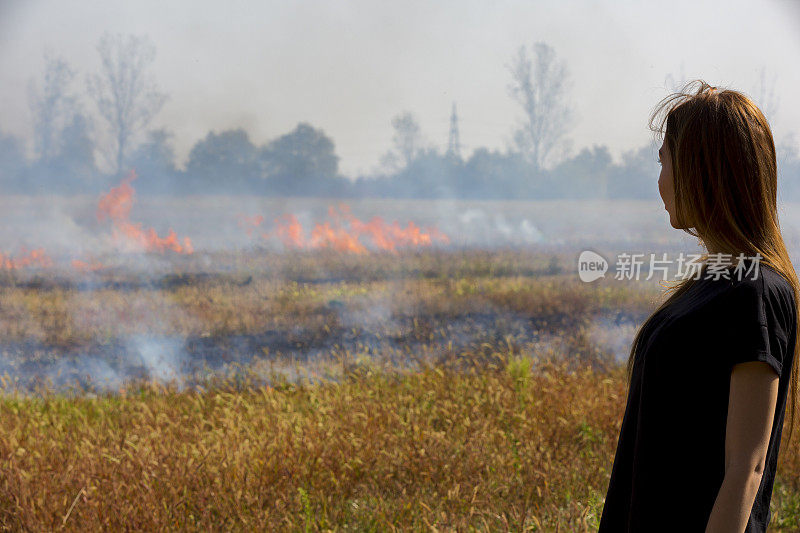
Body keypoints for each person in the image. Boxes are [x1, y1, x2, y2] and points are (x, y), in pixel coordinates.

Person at [598, 80, 800, 532]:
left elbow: (745, 468)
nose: (660, 182)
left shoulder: (754, 292)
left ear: (700, 171)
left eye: (664, 162)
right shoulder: (715, 282)